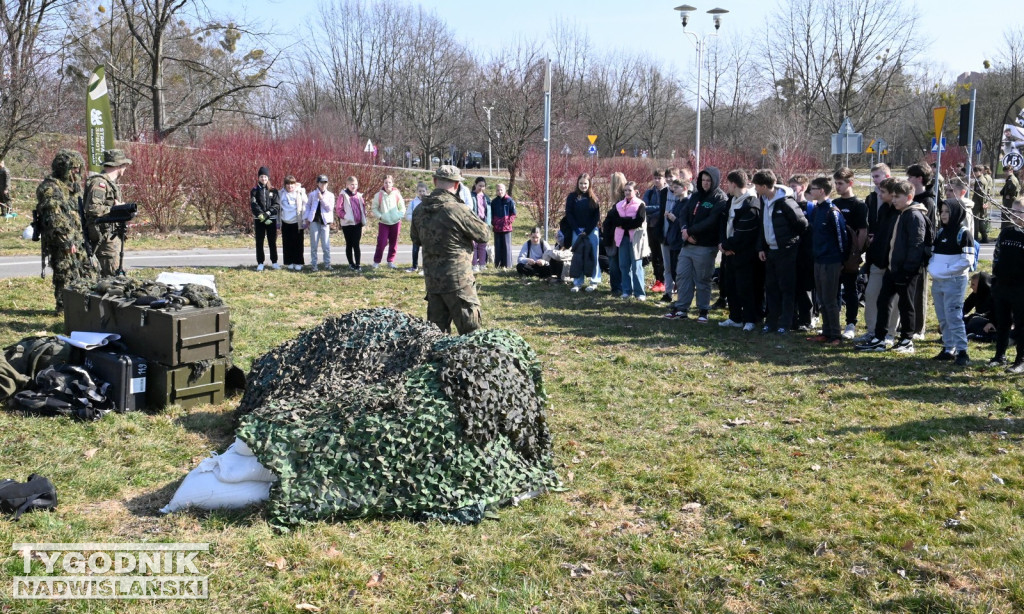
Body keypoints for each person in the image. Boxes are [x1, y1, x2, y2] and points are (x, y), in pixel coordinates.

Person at [409, 165, 491, 334]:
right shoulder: (457, 210)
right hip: (458, 281)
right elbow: (484, 234)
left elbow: (416, 239)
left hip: (433, 281)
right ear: (456, 185)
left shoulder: (419, 210)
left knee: (436, 337)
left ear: (434, 181)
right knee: (471, 335)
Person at [856, 179, 932, 354]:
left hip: (906, 271)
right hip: (893, 269)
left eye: (898, 196)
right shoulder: (902, 213)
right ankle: (879, 339)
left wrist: (907, 270)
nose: (894, 199)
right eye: (894, 196)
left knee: (906, 306)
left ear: (909, 197)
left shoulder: (914, 215)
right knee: (883, 302)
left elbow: (916, 245)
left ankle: (906, 340)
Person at [36, 149, 95, 313]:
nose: (76, 172)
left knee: (85, 271)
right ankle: (64, 308)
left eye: (78, 168)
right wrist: (66, 241)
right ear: (63, 168)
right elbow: (54, 218)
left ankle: (84, 306)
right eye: (73, 168)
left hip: (78, 238)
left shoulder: (72, 187)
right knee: (65, 273)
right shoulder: (50, 187)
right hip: (61, 240)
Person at [668, 167, 727, 322]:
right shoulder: (696, 195)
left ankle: (703, 310)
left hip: (705, 245)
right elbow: (683, 213)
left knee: (702, 279)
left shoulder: (719, 198)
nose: (705, 183)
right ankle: (682, 308)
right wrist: (685, 229)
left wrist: (691, 231)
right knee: (682, 275)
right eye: (703, 180)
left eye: (709, 180)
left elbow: (711, 221)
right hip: (688, 244)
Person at [755, 170, 807, 334]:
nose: (754, 188)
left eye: (756, 185)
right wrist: (762, 247)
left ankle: (785, 323)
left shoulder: (786, 202)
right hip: (770, 252)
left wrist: (790, 243)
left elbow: (802, 224)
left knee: (786, 288)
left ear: (764, 186)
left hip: (786, 252)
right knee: (771, 287)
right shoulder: (763, 200)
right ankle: (771, 321)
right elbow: (763, 226)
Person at [928, 198, 975, 365]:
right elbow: (933, 255)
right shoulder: (941, 232)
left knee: (953, 316)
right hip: (938, 281)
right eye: (941, 211)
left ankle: (962, 351)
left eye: (947, 212)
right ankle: (949, 348)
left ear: (956, 213)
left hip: (954, 281)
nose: (943, 215)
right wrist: (932, 268)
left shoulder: (964, 233)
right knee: (942, 317)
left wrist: (947, 271)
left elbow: (967, 260)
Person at [859, 169, 900, 344]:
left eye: (883, 192)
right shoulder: (883, 210)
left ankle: (890, 333)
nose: (880, 195)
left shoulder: (901, 213)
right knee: (871, 294)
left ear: (893, 194)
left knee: (892, 300)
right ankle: (872, 331)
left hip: (893, 263)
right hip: (877, 260)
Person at [718, 169, 761, 330]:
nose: (726, 187)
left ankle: (750, 319)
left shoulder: (751, 203)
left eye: (728, 183)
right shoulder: (731, 200)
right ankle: (735, 317)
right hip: (729, 252)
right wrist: (723, 244)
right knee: (731, 286)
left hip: (745, 254)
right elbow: (724, 222)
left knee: (746, 287)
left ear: (734, 184)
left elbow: (745, 233)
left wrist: (729, 246)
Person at [805, 176, 845, 344]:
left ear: (821, 191)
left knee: (830, 299)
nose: (809, 192)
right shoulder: (816, 209)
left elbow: (841, 239)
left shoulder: (832, 211)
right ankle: (826, 332)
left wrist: (840, 261)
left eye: (812, 188)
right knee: (821, 297)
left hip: (831, 261)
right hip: (818, 259)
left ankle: (835, 335)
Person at [832, 167, 869, 339]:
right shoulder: (835, 203)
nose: (837, 187)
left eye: (841, 183)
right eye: (836, 183)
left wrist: (856, 254)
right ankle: (834, 323)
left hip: (850, 257)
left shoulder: (859, 205)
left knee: (850, 290)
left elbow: (862, 231)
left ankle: (851, 323)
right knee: (834, 291)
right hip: (835, 255)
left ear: (850, 183)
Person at [988, 198, 1024, 373]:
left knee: (1021, 324)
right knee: (1002, 322)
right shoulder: (1006, 233)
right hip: (1002, 285)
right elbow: (997, 255)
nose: (1014, 215)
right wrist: (996, 276)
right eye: (1013, 211)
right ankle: (999, 356)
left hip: (1020, 287)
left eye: (1019, 212)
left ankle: (1020, 360)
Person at [84, 148, 132, 277]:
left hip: (110, 236)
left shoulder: (111, 184)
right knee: (112, 277)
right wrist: (115, 210)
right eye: (125, 166)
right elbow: (93, 208)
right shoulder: (100, 183)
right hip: (104, 238)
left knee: (115, 274)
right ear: (120, 166)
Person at [609, 181, 648, 300]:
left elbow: (639, 221)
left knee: (636, 266)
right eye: (625, 190)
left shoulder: (640, 204)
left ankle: (640, 293)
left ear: (635, 192)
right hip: (622, 239)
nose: (627, 192)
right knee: (624, 265)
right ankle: (626, 290)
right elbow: (614, 219)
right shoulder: (618, 205)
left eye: (629, 190)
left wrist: (624, 223)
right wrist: (627, 222)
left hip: (635, 239)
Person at [565, 173, 602, 292]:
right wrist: (577, 230)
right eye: (581, 183)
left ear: (589, 184)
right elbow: (569, 214)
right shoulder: (572, 197)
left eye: (585, 183)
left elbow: (596, 217)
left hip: (591, 231)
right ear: (577, 183)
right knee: (578, 256)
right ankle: (578, 282)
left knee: (594, 255)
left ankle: (594, 281)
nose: (583, 185)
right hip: (577, 231)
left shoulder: (593, 198)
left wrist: (587, 231)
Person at [788, 174, 816, 331]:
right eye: (790, 187)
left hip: (806, 254)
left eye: (794, 187)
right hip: (791, 253)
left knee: (805, 289)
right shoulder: (787, 205)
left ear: (803, 188)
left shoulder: (811, 207)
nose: (792, 190)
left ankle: (806, 320)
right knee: (791, 287)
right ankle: (791, 319)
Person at [661, 169, 692, 302]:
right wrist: (668, 217)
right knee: (673, 270)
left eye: (676, 188)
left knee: (681, 272)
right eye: (673, 188)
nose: (673, 190)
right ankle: (677, 298)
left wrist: (674, 219)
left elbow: (685, 224)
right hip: (672, 240)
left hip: (680, 242)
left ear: (684, 188)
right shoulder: (678, 202)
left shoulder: (688, 204)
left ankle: (682, 299)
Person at [642, 170, 668, 294]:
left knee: (664, 255)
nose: (657, 180)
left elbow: (665, 209)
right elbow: (644, 207)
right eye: (655, 178)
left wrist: (657, 209)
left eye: (659, 178)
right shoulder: (649, 192)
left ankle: (665, 280)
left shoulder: (668, 192)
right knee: (655, 254)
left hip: (663, 227)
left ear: (664, 179)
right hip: (651, 226)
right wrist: (658, 208)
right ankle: (658, 279)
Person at [372, 174, 405, 269]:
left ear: (392, 183)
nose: (387, 184)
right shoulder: (379, 195)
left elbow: (402, 208)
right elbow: (374, 208)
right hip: (384, 223)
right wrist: (380, 216)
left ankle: (390, 261)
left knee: (394, 243)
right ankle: (376, 261)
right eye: (385, 182)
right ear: (383, 183)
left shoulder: (397, 194)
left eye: (389, 182)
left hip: (396, 222)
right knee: (381, 242)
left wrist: (398, 216)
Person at [303, 174, 335, 271]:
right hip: (314, 221)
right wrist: (307, 218)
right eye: (321, 182)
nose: (323, 184)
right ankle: (314, 264)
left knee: (326, 244)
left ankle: (327, 264)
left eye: (325, 182)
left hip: (325, 222)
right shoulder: (312, 194)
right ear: (317, 183)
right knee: (314, 245)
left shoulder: (330, 195)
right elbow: (308, 206)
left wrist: (322, 199)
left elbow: (329, 208)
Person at [278, 175, 307, 271]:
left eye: (292, 184)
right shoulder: (281, 193)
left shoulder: (300, 192)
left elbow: (305, 206)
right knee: (287, 243)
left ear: (295, 184)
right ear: (285, 185)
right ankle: (289, 262)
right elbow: (278, 208)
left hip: (297, 222)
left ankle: (298, 262)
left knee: (298, 243)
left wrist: (305, 220)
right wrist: (278, 222)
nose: (290, 186)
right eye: (288, 184)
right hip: (285, 222)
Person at [338, 176, 366, 271]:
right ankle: (351, 263)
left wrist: (363, 218)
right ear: (347, 185)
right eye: (352, 184)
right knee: (349, 244)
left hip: (357, 224)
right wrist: (346, 217)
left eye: (355, 184)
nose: (354, 186)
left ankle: (358, 264)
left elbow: (363, 208)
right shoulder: (343, 195)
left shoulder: (359, 196)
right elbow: (339, 209)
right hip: (347, 224)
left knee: (356, 244)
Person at [490, 183, 517, 269]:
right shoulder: (494, 202)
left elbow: (513, 213)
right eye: (498, 190)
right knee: (497, 247)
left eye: (501, 190)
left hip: (506, 228)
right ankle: (498, 265)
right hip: (497, 228)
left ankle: (508, 265)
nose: (500, 191)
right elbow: (491, 214)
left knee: (506, 247)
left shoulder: (509, 201)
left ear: (505, 190)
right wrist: (493, 222)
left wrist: (508, 221)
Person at [405, 182, 428, 273]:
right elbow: (408, 215)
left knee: (425, 250)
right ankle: (414, 266)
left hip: (426, 229)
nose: (421, 193)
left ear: (426, 191)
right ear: (417, 192)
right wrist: (415, 220)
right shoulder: (413, 203)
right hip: (416, 229)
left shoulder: (429, 202)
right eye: (419, 191)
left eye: (423, 191)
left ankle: (425, 268)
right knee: (415, 248)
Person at [964, 272, 995, 340]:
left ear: (981, 285)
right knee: (965, 320)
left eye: (973, 284)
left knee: (974, 321)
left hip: (994, 322)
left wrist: (992, 322)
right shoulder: (976, 293)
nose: (971, 287)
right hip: (981, 319)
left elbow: (1003, 312)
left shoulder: (994, 295)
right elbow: (965, 307)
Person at [971, 166, 990, 243]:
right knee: (980, 221)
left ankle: (975, 238)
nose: (974, 173)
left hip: (978, 205)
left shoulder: (980, 181)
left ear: (980, 171)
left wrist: (983, 204)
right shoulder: (982, 179)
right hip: (980, 203)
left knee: (976, 222)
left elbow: (981, 194)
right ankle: (984, 237)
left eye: (976, 171)